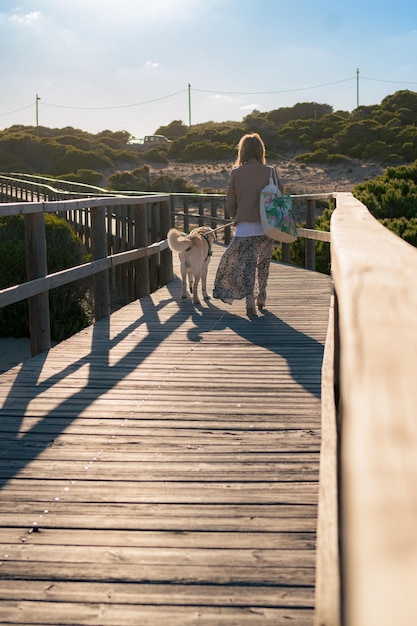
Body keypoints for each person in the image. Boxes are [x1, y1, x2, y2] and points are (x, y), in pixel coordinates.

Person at [213, 132, 284, 317]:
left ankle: (249, 300)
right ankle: (262, 295)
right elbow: (280, 195)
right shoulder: (270, 172)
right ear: (261, 150)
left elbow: (230, 202)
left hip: (244, 227)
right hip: (267, 226)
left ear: (242, 151)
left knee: (246, 264)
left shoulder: (236, 173)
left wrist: (236, 217)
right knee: (264, 261)